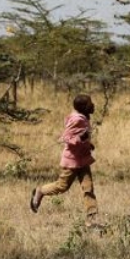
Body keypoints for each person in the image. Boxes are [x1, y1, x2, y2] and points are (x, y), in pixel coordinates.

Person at [31, 94, 99, 226]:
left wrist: (87, 143)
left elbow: (79, 138)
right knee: (62, 187)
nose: (92, 105)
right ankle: (40, 191)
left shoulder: (83, 118)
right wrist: (81, 138)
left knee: (88, 188)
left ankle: (92, 218)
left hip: (83, 159)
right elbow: (66, 137)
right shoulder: (77, 120)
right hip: (72, 161)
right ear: (84, 107)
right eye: (90, 103)